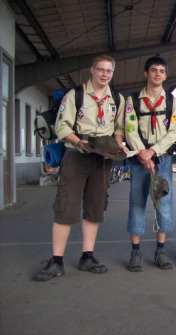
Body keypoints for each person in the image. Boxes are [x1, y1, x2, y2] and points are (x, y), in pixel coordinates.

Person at [33, 55, 126, 281]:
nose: (105, 74)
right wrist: (79, 142)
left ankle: (87, 257)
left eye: (109, 71)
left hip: (102, 158)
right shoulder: (75, 95)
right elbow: (61, 126)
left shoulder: (117, 98)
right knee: (66, 206)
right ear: (92, 70)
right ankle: (56, 261)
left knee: (95, 208)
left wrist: (118, 144)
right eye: (101, 70)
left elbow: (119, 127)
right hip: (77, 154)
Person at [124, 56, 176, 271]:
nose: (158, 74)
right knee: (137, 203)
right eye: (154, 70)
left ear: (165, 75)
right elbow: (130, 128)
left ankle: (160, 251)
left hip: (163, 160)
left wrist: (153, 152)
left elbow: (173, 131)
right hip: (139, 161)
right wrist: (143, 153)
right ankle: (136, 252)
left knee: (163, 204)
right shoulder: (133, 100)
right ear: (146, 73)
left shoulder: (172, 102)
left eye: (162, 71)